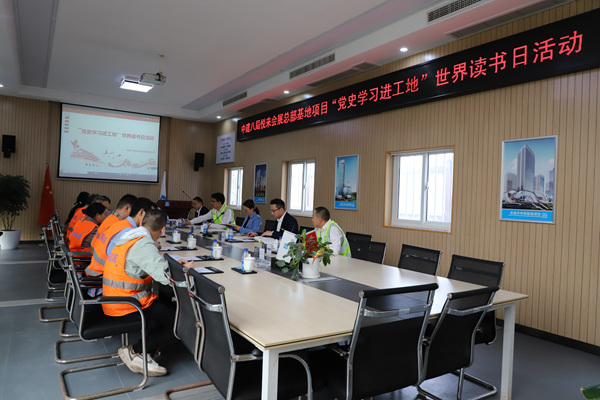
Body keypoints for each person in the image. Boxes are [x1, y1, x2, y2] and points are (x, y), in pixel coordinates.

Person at [102, 209, 194, 376]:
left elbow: (147, 263)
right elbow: (167, 277)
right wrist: (185, 270)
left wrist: (170, 264)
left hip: (115, 299)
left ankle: (146, 350)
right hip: (126, 305)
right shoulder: (143, 244)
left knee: (166, 304)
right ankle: (137, 352)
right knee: (181, 320)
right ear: (162, 229)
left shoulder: (130, 237)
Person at [87, 197, 155, 277]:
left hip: (97, 270)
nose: (152, 220)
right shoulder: (128, 232)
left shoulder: (120, 224)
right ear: (141, 212)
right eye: (150, 216)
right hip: (103, 276)